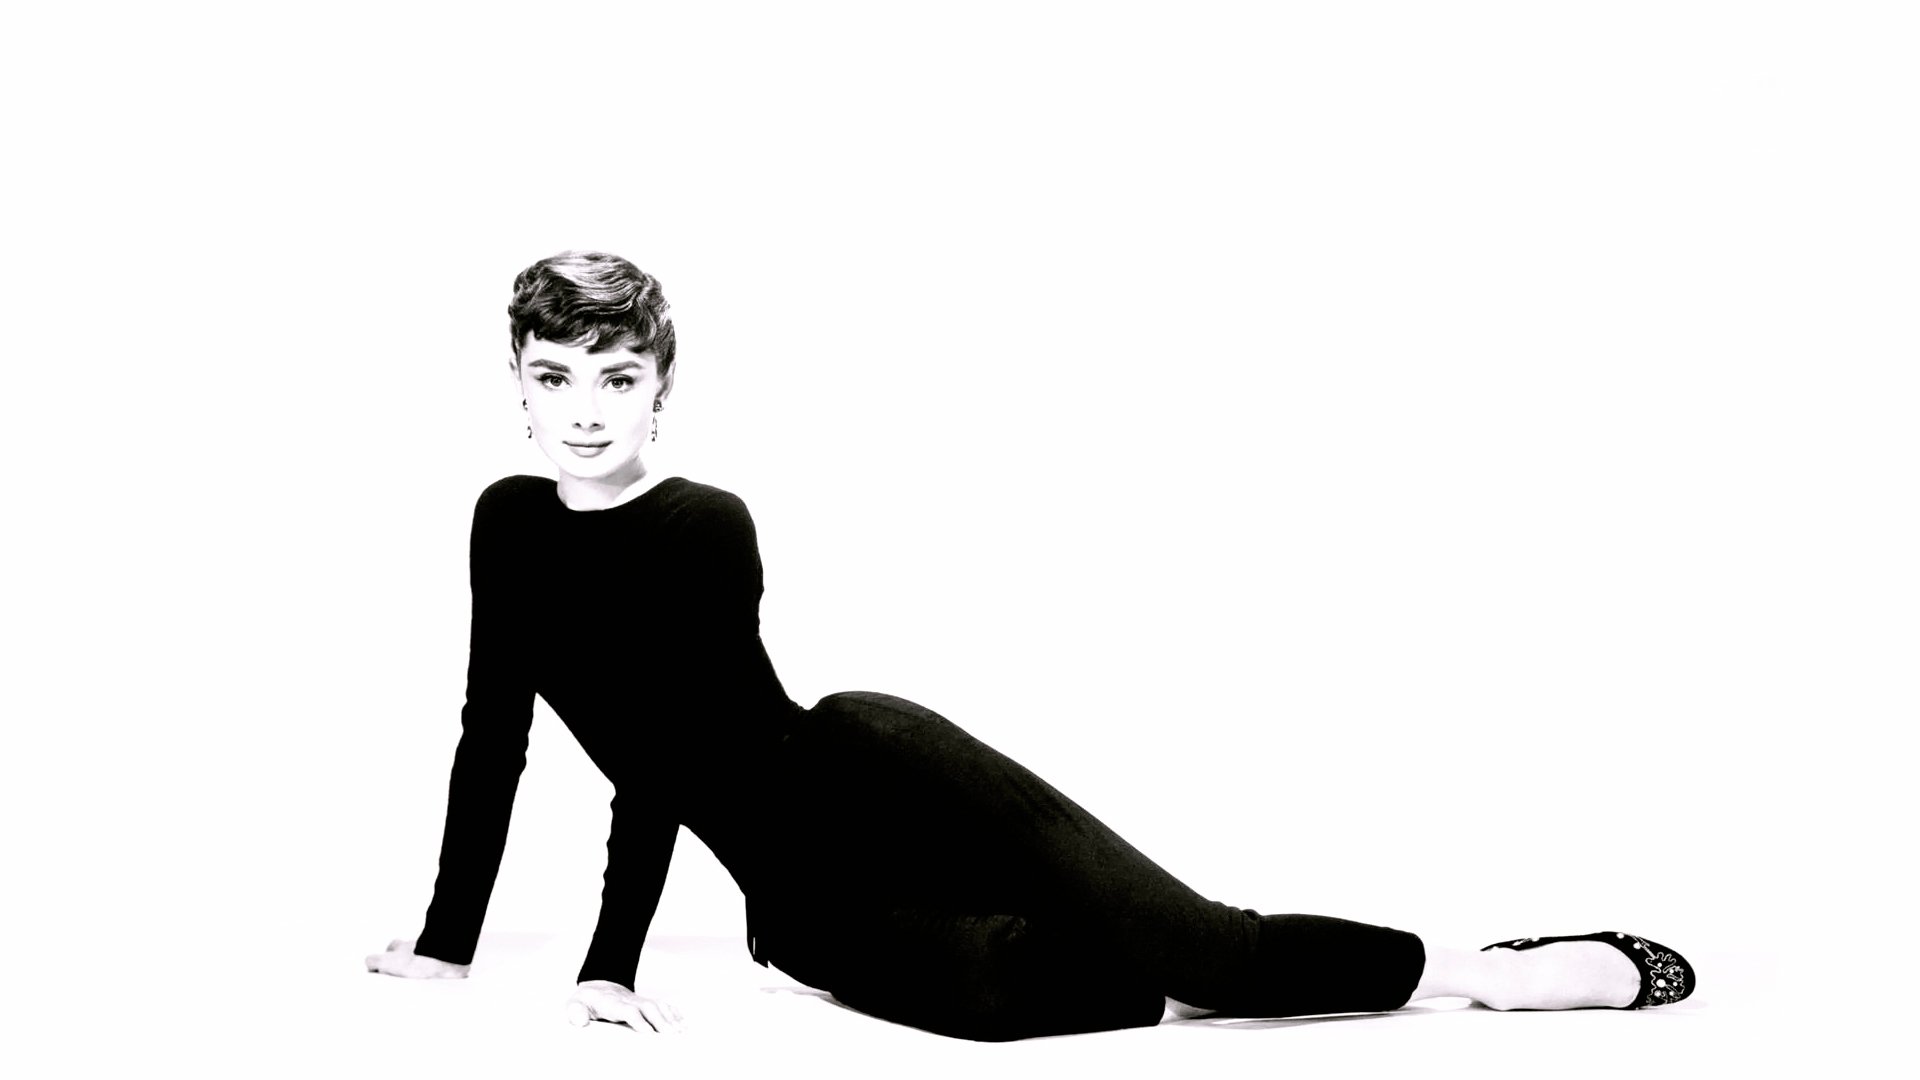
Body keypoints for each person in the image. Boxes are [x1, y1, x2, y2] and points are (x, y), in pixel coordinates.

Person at [364, 251, 1694, 1041]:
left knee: (1206, 955)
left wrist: (609, 963)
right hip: (804, 906)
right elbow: (494, 734)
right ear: (518, 383)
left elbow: (662, 754)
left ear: (662, 389)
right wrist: (445, 940)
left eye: (617, 377)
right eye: (555, 375)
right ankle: (1166, 971)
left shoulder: (704, 523)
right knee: (1008, 1001)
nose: (585, 409)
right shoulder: (506, 521)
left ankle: (1487, 976)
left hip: (875, 773)